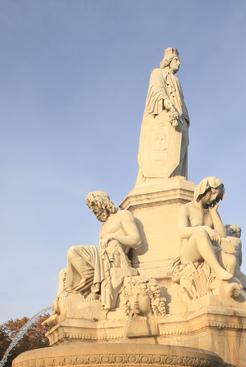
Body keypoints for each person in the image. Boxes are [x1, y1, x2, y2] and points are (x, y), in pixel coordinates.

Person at [60, 191, 144, 311]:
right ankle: (75, 292)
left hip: (115, 259)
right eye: (92, 209)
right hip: (103, 258)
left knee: (74, 251)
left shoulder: (123, 215)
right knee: (71, 256)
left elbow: (136, 240)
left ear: (103, 203)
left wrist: (114, 237)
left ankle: (93, 288)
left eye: (95, 207)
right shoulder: (103, 226)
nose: (94, 212)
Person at [136, 47, 189, 183]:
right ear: (169, 61)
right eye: (176, 60)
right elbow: (156, 89)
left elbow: (181, 100)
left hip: (180, 118)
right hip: (165, 115)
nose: (179, 63)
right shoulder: (157, 73)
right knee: (162, 144)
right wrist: (168, 105)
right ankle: (154, 176)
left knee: (183, 142)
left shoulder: (176, 80)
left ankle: (176, 174)